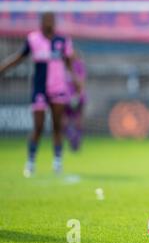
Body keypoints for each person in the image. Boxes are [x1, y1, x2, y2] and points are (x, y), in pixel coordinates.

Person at [0, 12, 80, 177]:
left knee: (58, 126)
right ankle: (30, 162)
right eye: (47, 20)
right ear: (42, 22)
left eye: (52, 20)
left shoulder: (63, 41)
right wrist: (3, 67)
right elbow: (19, 57)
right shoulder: (33, 39)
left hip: (58, 88)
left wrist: (76, 81)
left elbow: (70, 64)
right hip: (39, 89)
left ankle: (57, 162)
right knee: (39, 127)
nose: (50, 23)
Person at [64, 50, 87, 152]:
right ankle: (72, 138)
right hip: (64, 98)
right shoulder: (61, 65)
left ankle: (77, 140)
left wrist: (77, 95)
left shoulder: (79, 64)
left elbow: (81, 82)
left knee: (78, 119)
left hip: (78, 96)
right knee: (63, 121)